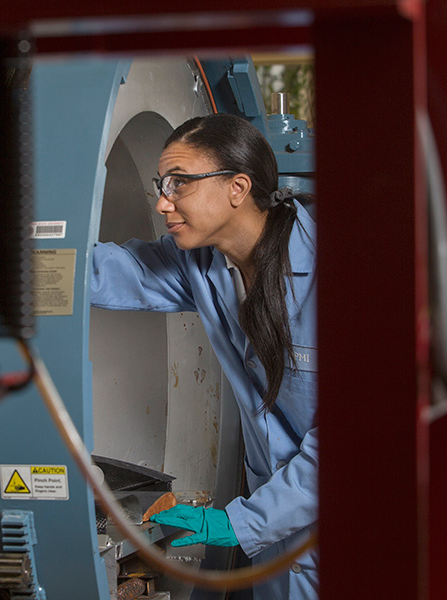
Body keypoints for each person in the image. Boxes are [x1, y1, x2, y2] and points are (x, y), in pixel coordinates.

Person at [91, 113, 318, 599]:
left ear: (238, 187)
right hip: (279, 540)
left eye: (179, 183)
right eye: (161, 183)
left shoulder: (333, 275)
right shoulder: (205, 263)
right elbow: (114, 272)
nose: (162, 202)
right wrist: (7, 260)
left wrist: (242, 522)